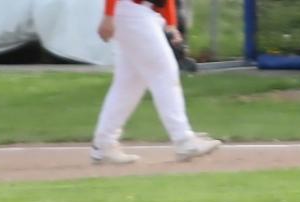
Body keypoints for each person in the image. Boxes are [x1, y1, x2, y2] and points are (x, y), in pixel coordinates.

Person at [91, 0, 219, 165]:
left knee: (129, 83)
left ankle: (104, 145)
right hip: (130, 10)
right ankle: (183, 140)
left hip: (140, 12)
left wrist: (171, 24)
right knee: (164, 71)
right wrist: (108, 15)